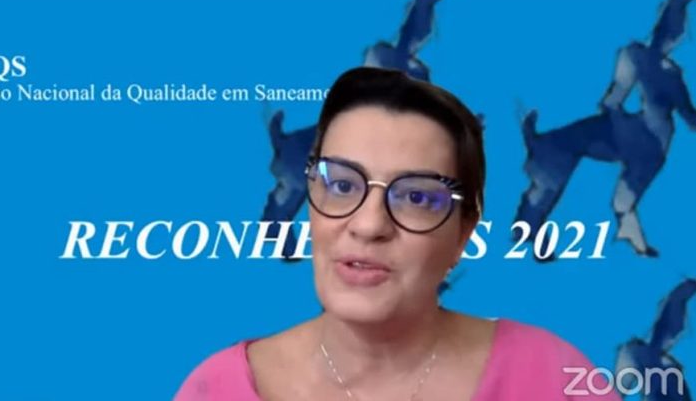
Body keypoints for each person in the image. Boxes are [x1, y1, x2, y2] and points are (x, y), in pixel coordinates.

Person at [174, 67, 621, 401]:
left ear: (464, 233)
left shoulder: (554, 377)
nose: (369, 225)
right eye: (342, 186)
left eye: (417, 197)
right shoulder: (216, 387)